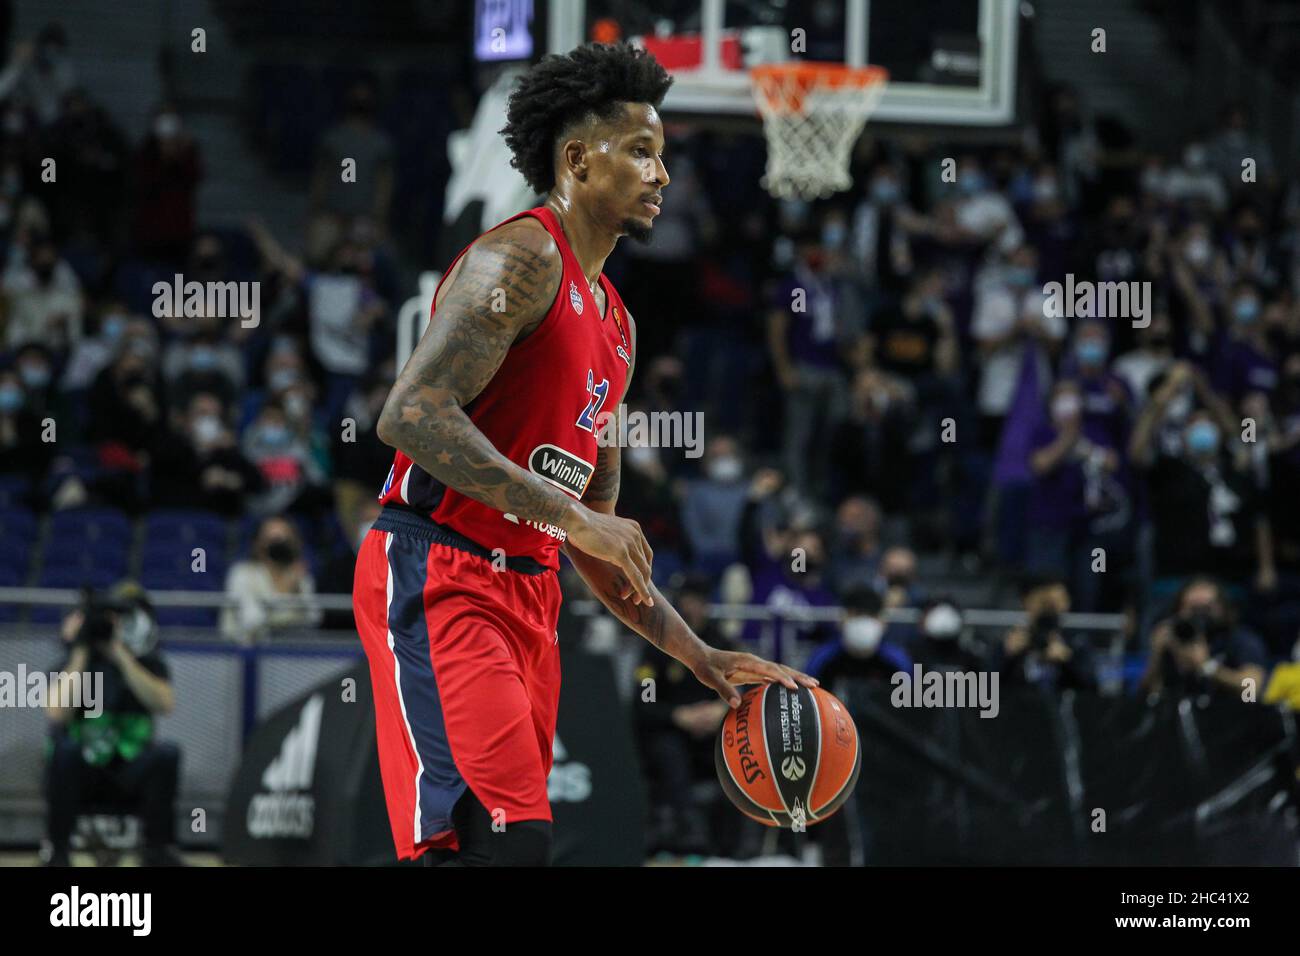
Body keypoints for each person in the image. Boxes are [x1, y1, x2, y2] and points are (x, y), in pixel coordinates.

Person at [353, 42, 812, 868]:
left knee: (503, 845)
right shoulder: (521, 259)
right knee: (496, 845)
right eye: (641, 151)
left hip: (531, 598)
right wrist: (571, 519)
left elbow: (598, 541)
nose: (661, 174)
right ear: (576, 159)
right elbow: (411, 412)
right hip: (442, 571)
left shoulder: (619, 329)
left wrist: (697, 656)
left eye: (663, 155)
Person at [43, 582, 182, 867]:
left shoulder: (147, 663)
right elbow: (56, 712)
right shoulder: (74, 662)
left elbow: (164, 704)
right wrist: (81, 650)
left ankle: (158, 852)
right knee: (63, 750)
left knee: (167, 754)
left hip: (130, 769)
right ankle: (58, 854)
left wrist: (120, 654)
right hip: (85, 768)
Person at [1139, 577, 1269, 698]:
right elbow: (1145, 698)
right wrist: (1156, 658)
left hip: (1228, 717)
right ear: (1178, 610)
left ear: (1223, 609)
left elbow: (1252, 691)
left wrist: (1207, 666)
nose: (1199, 616)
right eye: (1192, 608)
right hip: (1177, 718)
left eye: (1206, 608)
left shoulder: (1240, 640)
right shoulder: (1172, 638)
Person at [219, 516, 323, 644]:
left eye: (284, 541)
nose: (278, 547)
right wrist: (284, 592)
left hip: (293, 653)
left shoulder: (300, 577)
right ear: (258, 544)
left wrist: (295, 589)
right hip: (245, 654)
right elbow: (253, 621)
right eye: (272, 540)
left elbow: (313, 618)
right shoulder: (242, 574)